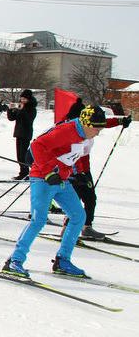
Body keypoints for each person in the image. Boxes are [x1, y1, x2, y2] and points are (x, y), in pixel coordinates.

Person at [1, 105, 120, 278]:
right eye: (96, 128)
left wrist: (79, 174)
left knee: (79, 216)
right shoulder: (67, 130)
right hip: (43, 178)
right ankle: (14, 261)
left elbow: (74, 154)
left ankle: (62, 260)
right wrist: (48, 172)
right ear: (86, 124)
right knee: (38, 220)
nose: (98, 132)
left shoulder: (84, 134)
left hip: (62, 180)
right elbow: (36, 146)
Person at [60, 101, 130, 240]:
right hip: (72, 169)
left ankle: (87, 227)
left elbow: (102, 123)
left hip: (84, 169)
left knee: (90, 198)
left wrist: (120, 120)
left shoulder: (88, 126)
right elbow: (72, 154)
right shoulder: (71, 129)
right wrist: (78, 173)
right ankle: (67, 229)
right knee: (75, 199)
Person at [7, 89, 37, 179]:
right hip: (18, 133)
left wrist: (22, 110)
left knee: (23, 155)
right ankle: (23, 172)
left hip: (26, 133)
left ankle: (26, 172)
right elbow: (12, 118)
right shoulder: (20, 107)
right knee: (19, 155)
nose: (22, 100)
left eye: (25, 99)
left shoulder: (32, 109)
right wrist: (10, 110)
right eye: (22, 98)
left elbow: (28, 120)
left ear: (29, 99)